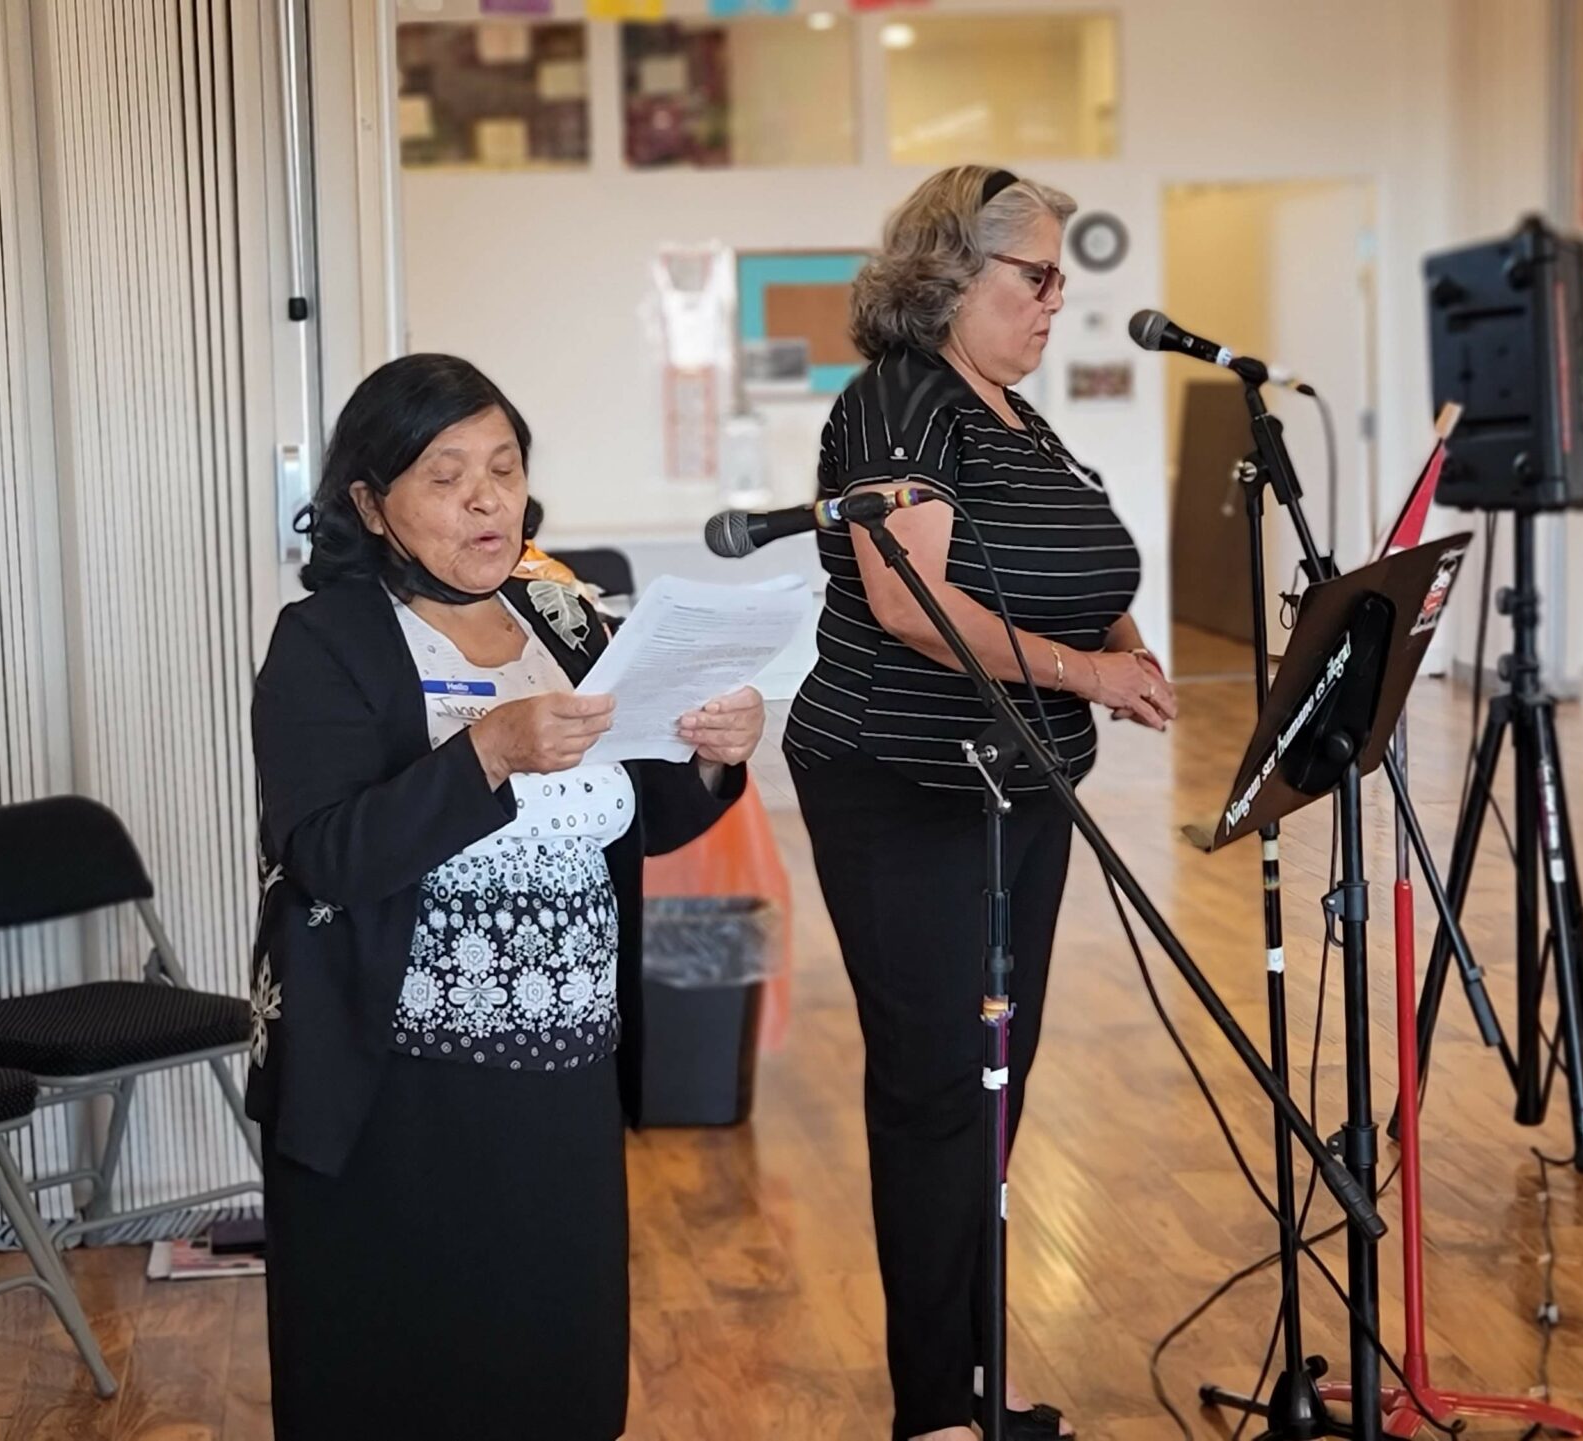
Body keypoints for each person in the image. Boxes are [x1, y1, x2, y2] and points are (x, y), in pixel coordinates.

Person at [247, 353, 763, 1438]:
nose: (487, 497)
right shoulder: (326, 640)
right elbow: (326, 855)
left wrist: (714, 757)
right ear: (368, 502)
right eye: (445, 474)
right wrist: (483, 753)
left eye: (504, 465)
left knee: (551, 1363)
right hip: (398, 1083)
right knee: (402, 1375)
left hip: (562, 1066)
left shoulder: (563, 617)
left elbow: (640, 811)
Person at [784, 165, 1178, 1441]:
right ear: (951, 276)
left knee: (995, 1077)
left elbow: (1074, 561)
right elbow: (906, 601)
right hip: (901, 784)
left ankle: (973, 1366)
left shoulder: (1012, 411)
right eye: (1038, 275)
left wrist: (1121, 643)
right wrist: (1090, 672)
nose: (1059, 299)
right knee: (937, 1083)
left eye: (1064, 276)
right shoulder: (897, 402)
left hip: (1019, 784)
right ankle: (930, 1409)